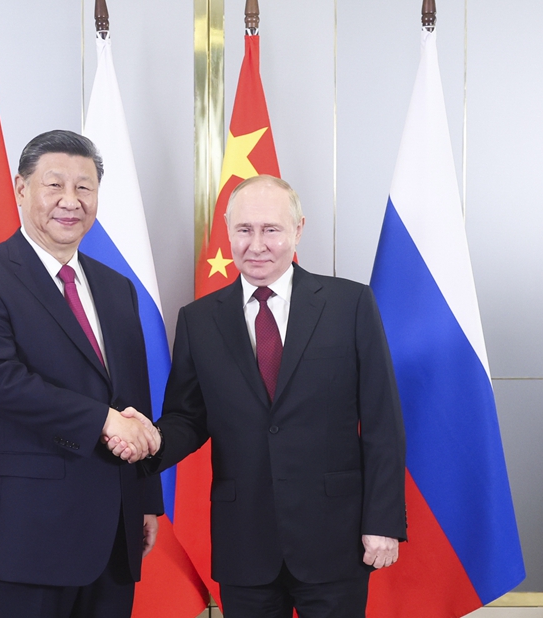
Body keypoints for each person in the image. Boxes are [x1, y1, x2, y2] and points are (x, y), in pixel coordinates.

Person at [111, 174, 406, 618]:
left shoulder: (350, 305)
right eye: (244, 230)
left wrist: (382, 521)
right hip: (244, 542)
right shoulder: (198, 320)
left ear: (298, 230)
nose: (256, 245)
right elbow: (188, 418)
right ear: (228, 232)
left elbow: (383, 422)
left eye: (271, 229)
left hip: (335, 538)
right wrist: (148, 441)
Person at [0, 129, 163, 618]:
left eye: (84, 187)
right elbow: (0, 383)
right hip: (27, 533)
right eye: (55, 185)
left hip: (114, 530)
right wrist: (103, 420)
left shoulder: (117, 288)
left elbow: (134, 399)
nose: (71, 201)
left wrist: (145, 498)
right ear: (21, 189)